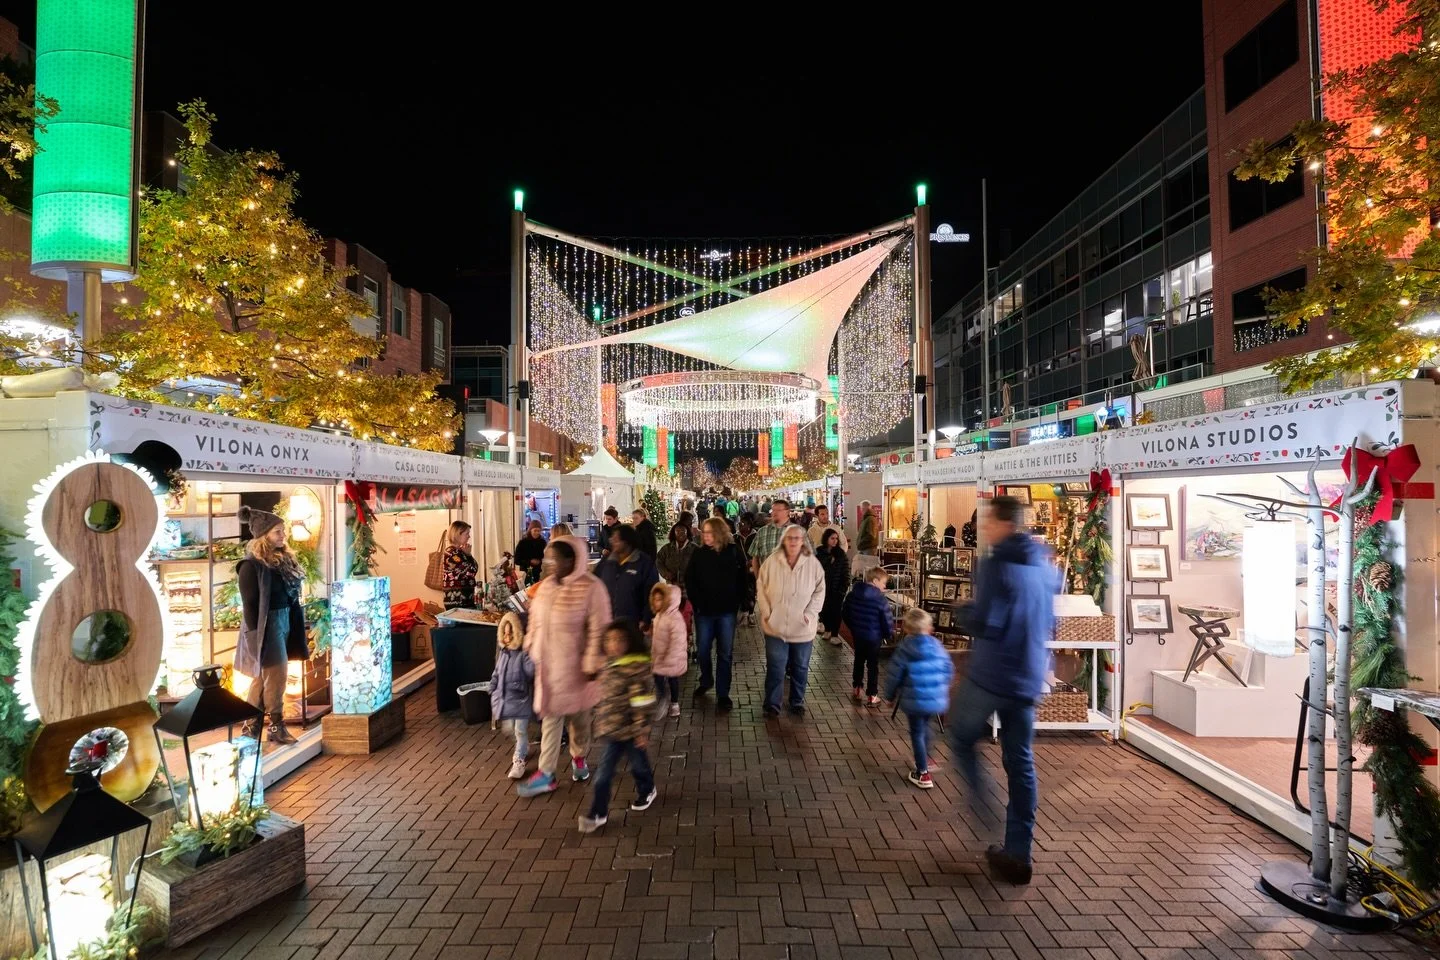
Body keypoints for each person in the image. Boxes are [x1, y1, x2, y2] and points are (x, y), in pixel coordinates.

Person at [950, 496, 1058, 885]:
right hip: (1029, 674)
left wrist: (963, 612)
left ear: (1001, 523)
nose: (985, 531)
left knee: (960, 737)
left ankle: (985, 809)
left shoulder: (996, 564)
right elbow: (1051, 620)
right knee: (1021, 761)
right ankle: (1018, 852)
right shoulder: (1045, 564)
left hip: (994, 674)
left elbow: (988, 623)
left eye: (987, 523)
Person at [517, 537, 611, 797]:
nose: (550, 564)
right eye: (548, 559)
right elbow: (536, 620)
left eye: (554, 559)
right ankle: (546, 773)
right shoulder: (545, 587)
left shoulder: (592, 588)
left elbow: (599, 630)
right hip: (549, 668)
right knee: (551, 719)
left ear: (571, 560)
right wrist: (530, 644)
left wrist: (593, 662)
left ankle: (578, 758)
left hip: (578, 671)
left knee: (580, 723)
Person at [235, 506, 307, 744]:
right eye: (278, 531)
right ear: (263, 535)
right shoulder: (251, 566)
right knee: (277, 675)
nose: (283, 535)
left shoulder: (283, 561)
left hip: (284, 620)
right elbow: (250, 605)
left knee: (262, 676)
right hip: (266, 625)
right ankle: (276, 725)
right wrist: (256, 638)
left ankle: (251, 724)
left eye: (282, 530)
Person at [578, 620, 658, 833]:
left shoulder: (635, 668)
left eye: (619, 640)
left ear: (630, 641)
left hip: (631, 731)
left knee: (638, 766)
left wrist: (641, 730)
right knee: (603, 775)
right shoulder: (611, 663)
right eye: (610, 640)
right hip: (613, 731)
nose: (613, 644)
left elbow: (643, 702)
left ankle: (647, 789)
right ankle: (598, 813)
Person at [755, 525, 826, 718]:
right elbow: (760, 586)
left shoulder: (812, 564)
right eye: (790, 538)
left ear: (803, 541)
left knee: (800, 667)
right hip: (775, 627)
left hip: (803, 627)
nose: (793, 541)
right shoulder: (771, 562)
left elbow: (820, 591)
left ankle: (797, 701)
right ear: (783, 541)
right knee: (775, 666)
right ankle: (772, 704)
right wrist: (767, 611)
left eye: (797, 538)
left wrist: (810, 614)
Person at [884, 608, 954, 790]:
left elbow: (894, 674)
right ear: (929, 628)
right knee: (927, 727)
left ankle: (922, 772)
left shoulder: (905, 648)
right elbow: (948, 668)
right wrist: (941, 687)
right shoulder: (937, 646)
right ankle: (927, 758)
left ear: (906, 629)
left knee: (917, 732)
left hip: (915, 699)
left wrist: (890, 696)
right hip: (935, 699)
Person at [686, 516, 746, 710]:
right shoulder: (699, 553)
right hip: (704, 611)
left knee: (725, 653)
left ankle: (723, 693)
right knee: (703, 649)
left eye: (709, 532)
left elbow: (742, 578)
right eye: (704, 532)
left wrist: (742, 603)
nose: (705, 536)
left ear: (719, 533)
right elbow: (690, 579)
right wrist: (696, 602)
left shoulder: (733, 552)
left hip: (726, 611)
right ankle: (706, 679)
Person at [490, 614, 535, 779]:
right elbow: (497, 672)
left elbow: (531, 672)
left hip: (521, 700)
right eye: (505, 633)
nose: (507, 637)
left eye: (511, 633)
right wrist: (492, 686)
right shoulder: (503, 654)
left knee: (519, 730)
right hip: (507, 700)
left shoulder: (523, 654)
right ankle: (523, 748)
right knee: (511, 729)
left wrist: (532, 657)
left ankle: (519, 759)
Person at [843, 565, 893, 705]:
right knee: (873, 665)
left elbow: (845, 612)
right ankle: (872, 695)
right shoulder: (880, 600)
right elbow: (887, 620)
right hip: (874, 637)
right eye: (883, 583)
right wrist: (887, 634)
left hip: (858, 635)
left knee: (858, 660)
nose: (884, 586)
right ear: (876, 581)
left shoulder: (853, 594)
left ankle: (857, 688)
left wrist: (853, 627)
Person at [595, 524, 661, 627]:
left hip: (634, 626)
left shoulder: (644, 563)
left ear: (627, 542)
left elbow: (651, 592)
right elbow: (595, 584)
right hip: (607, 624)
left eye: (616, 539)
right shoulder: (606, 562)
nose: (611, 541)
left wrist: (646, 619)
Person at [648, 582, 686, 719]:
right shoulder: (659, 616)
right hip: (660, 657)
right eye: (655, 599)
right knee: (657, 678)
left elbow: (678, 641)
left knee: (673, 680)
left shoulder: (675, 619)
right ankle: (663, 698)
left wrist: (669, 657)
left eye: (660, 600)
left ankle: (674, 703)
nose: (657, 603)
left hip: (672, 658)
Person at [815, 528, 850, 646]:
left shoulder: (841, 554)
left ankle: (835, 634)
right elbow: (816, 567)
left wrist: (843, 588)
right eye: (832, 538)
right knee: (824, 610)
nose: (835, 541)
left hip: (837, 588)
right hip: (822, 588)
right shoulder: (819, 552)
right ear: (826, 539)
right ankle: (827, 629)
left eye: (836, 538)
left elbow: (846, 572)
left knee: (835, 611)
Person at [441, 520, 480, 610]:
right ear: (458, 534)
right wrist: (468, 555)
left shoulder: (460, 552)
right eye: (467, 534)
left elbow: (475, 567)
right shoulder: (451, 553)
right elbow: (472, 571)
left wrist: (468, 554)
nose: (469, 536)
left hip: (465, 599)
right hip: (457, 601)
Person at [748, 498, 790, 574]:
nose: (774, 513)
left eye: (779, 510)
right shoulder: (762, 532)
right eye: (773, 510)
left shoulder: (798, 531)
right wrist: (758, 579)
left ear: (787, 512)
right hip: (767, 581)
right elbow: (755, 558)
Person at [656, 522, 697, 590]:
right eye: (678, 531)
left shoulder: (694, 549)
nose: (681, 533)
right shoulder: (667, 548)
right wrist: (665, 573)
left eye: (683, 531)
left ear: (687, 533)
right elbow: (658, 561)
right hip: (671, 586)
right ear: (674, 533)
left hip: (690, 588)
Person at [514, 519, 547, 586]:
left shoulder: (542, 543)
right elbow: (517, 560)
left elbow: (545, 557)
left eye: (539, 531)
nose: (537, 533)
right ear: (530, 530)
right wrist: (530, 561)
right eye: (535, 530)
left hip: (539, 574)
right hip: (525, 574)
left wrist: (540, 561)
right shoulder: (523, 543)